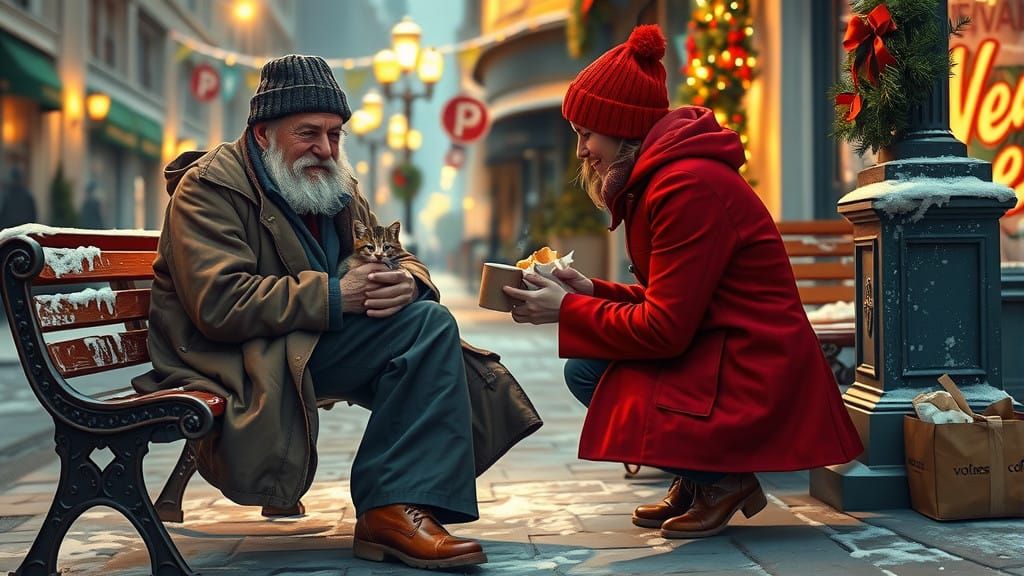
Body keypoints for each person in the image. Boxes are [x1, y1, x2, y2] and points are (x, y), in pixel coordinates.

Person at [504, 25, 864, 539]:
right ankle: (698, 477)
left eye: (587, 134)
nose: (581, 151)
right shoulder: (665, 178)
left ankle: (720, 479)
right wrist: (589, 293)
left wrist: (565, 310)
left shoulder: (685, 187)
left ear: (621, 126)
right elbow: (673, 301)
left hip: (753, 366)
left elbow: (665, 329)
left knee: (591, 371)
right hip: (724, 350)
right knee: (590, 362)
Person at [132, 55, 487, 570]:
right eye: (308, 133)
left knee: (424, 320)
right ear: (262, 134)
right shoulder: (209, 188)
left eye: (335, 134)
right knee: (426, 334)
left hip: (296, 343)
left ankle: (397, 505)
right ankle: (392, 507)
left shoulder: (331, 184)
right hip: (233, 359)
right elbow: (220, 304)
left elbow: (397, 252)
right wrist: (340, 296)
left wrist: (406, 284)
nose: (324, 148)